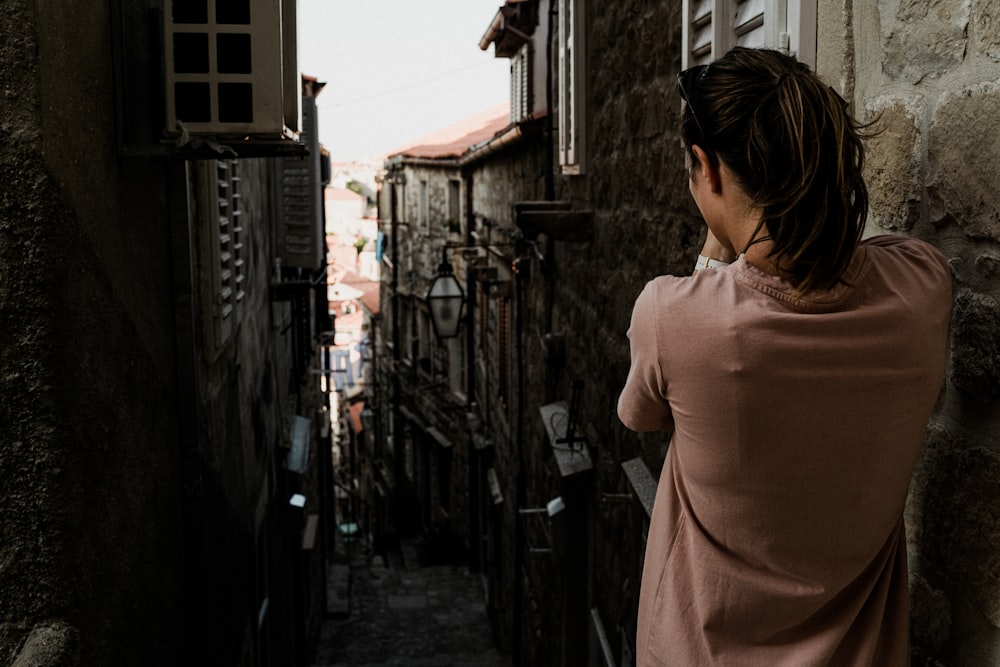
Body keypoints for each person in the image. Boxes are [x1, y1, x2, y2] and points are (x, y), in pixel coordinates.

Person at [617, 47, 952, 665]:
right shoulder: (923, 287)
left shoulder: (674, 317)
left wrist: (718, 247)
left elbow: (641, 415)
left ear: (705, 168)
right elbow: (855, 257)